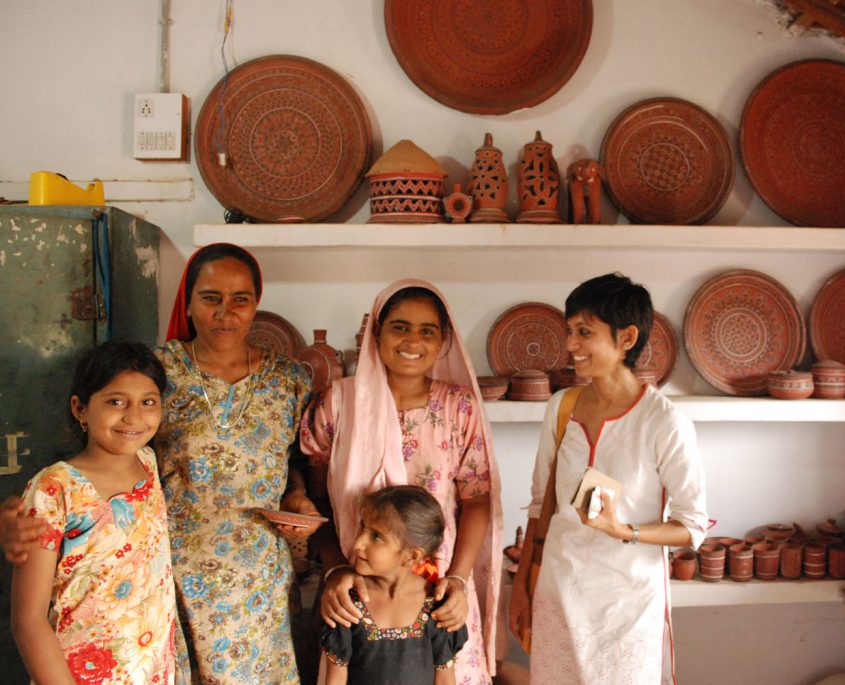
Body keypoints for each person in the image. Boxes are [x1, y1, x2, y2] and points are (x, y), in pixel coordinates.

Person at [508, 273, 709, 684]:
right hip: (559, 593)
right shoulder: (561, 407)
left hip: (628, 605)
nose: (570, 345)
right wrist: (522, 588)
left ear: (626, 338)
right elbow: (539, 506)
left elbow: (692, 527)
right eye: (570, 331)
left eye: (584, 332)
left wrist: (625, 530)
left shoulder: (665, 422)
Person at [301, 279, 502, 684]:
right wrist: (336, 569)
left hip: (440, 587)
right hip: (358, 587)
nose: (413, 340)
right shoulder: (339, 403)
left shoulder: (457, 407)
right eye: (399, 326)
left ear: (443, 339)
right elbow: (316, 498)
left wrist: (458, 581)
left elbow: (478, 499)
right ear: (376, 332)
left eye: (427, 330)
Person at [154, 242, 319, 684]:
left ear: (256, 305)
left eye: (239, 299)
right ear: (188, 303)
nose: (226, 313)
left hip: (260, 577)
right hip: (177, 573)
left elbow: (295, 460)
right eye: (211, 298)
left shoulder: (289, 379)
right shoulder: (158, 374)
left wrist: (298, 494)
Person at [11, 339, 177, 684]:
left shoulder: (148, 464)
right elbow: (28, 619)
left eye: (148, 402)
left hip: (151, 671)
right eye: (115, 401)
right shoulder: (55, 489)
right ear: (80, 408)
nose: (133, 416)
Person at [321, 485, 468, 685]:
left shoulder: (438, 606)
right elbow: (335, 679)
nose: (358, 544)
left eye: (377, 536)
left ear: (412, 555)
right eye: (362, 527)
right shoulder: (347, 603)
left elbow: (444, 679)